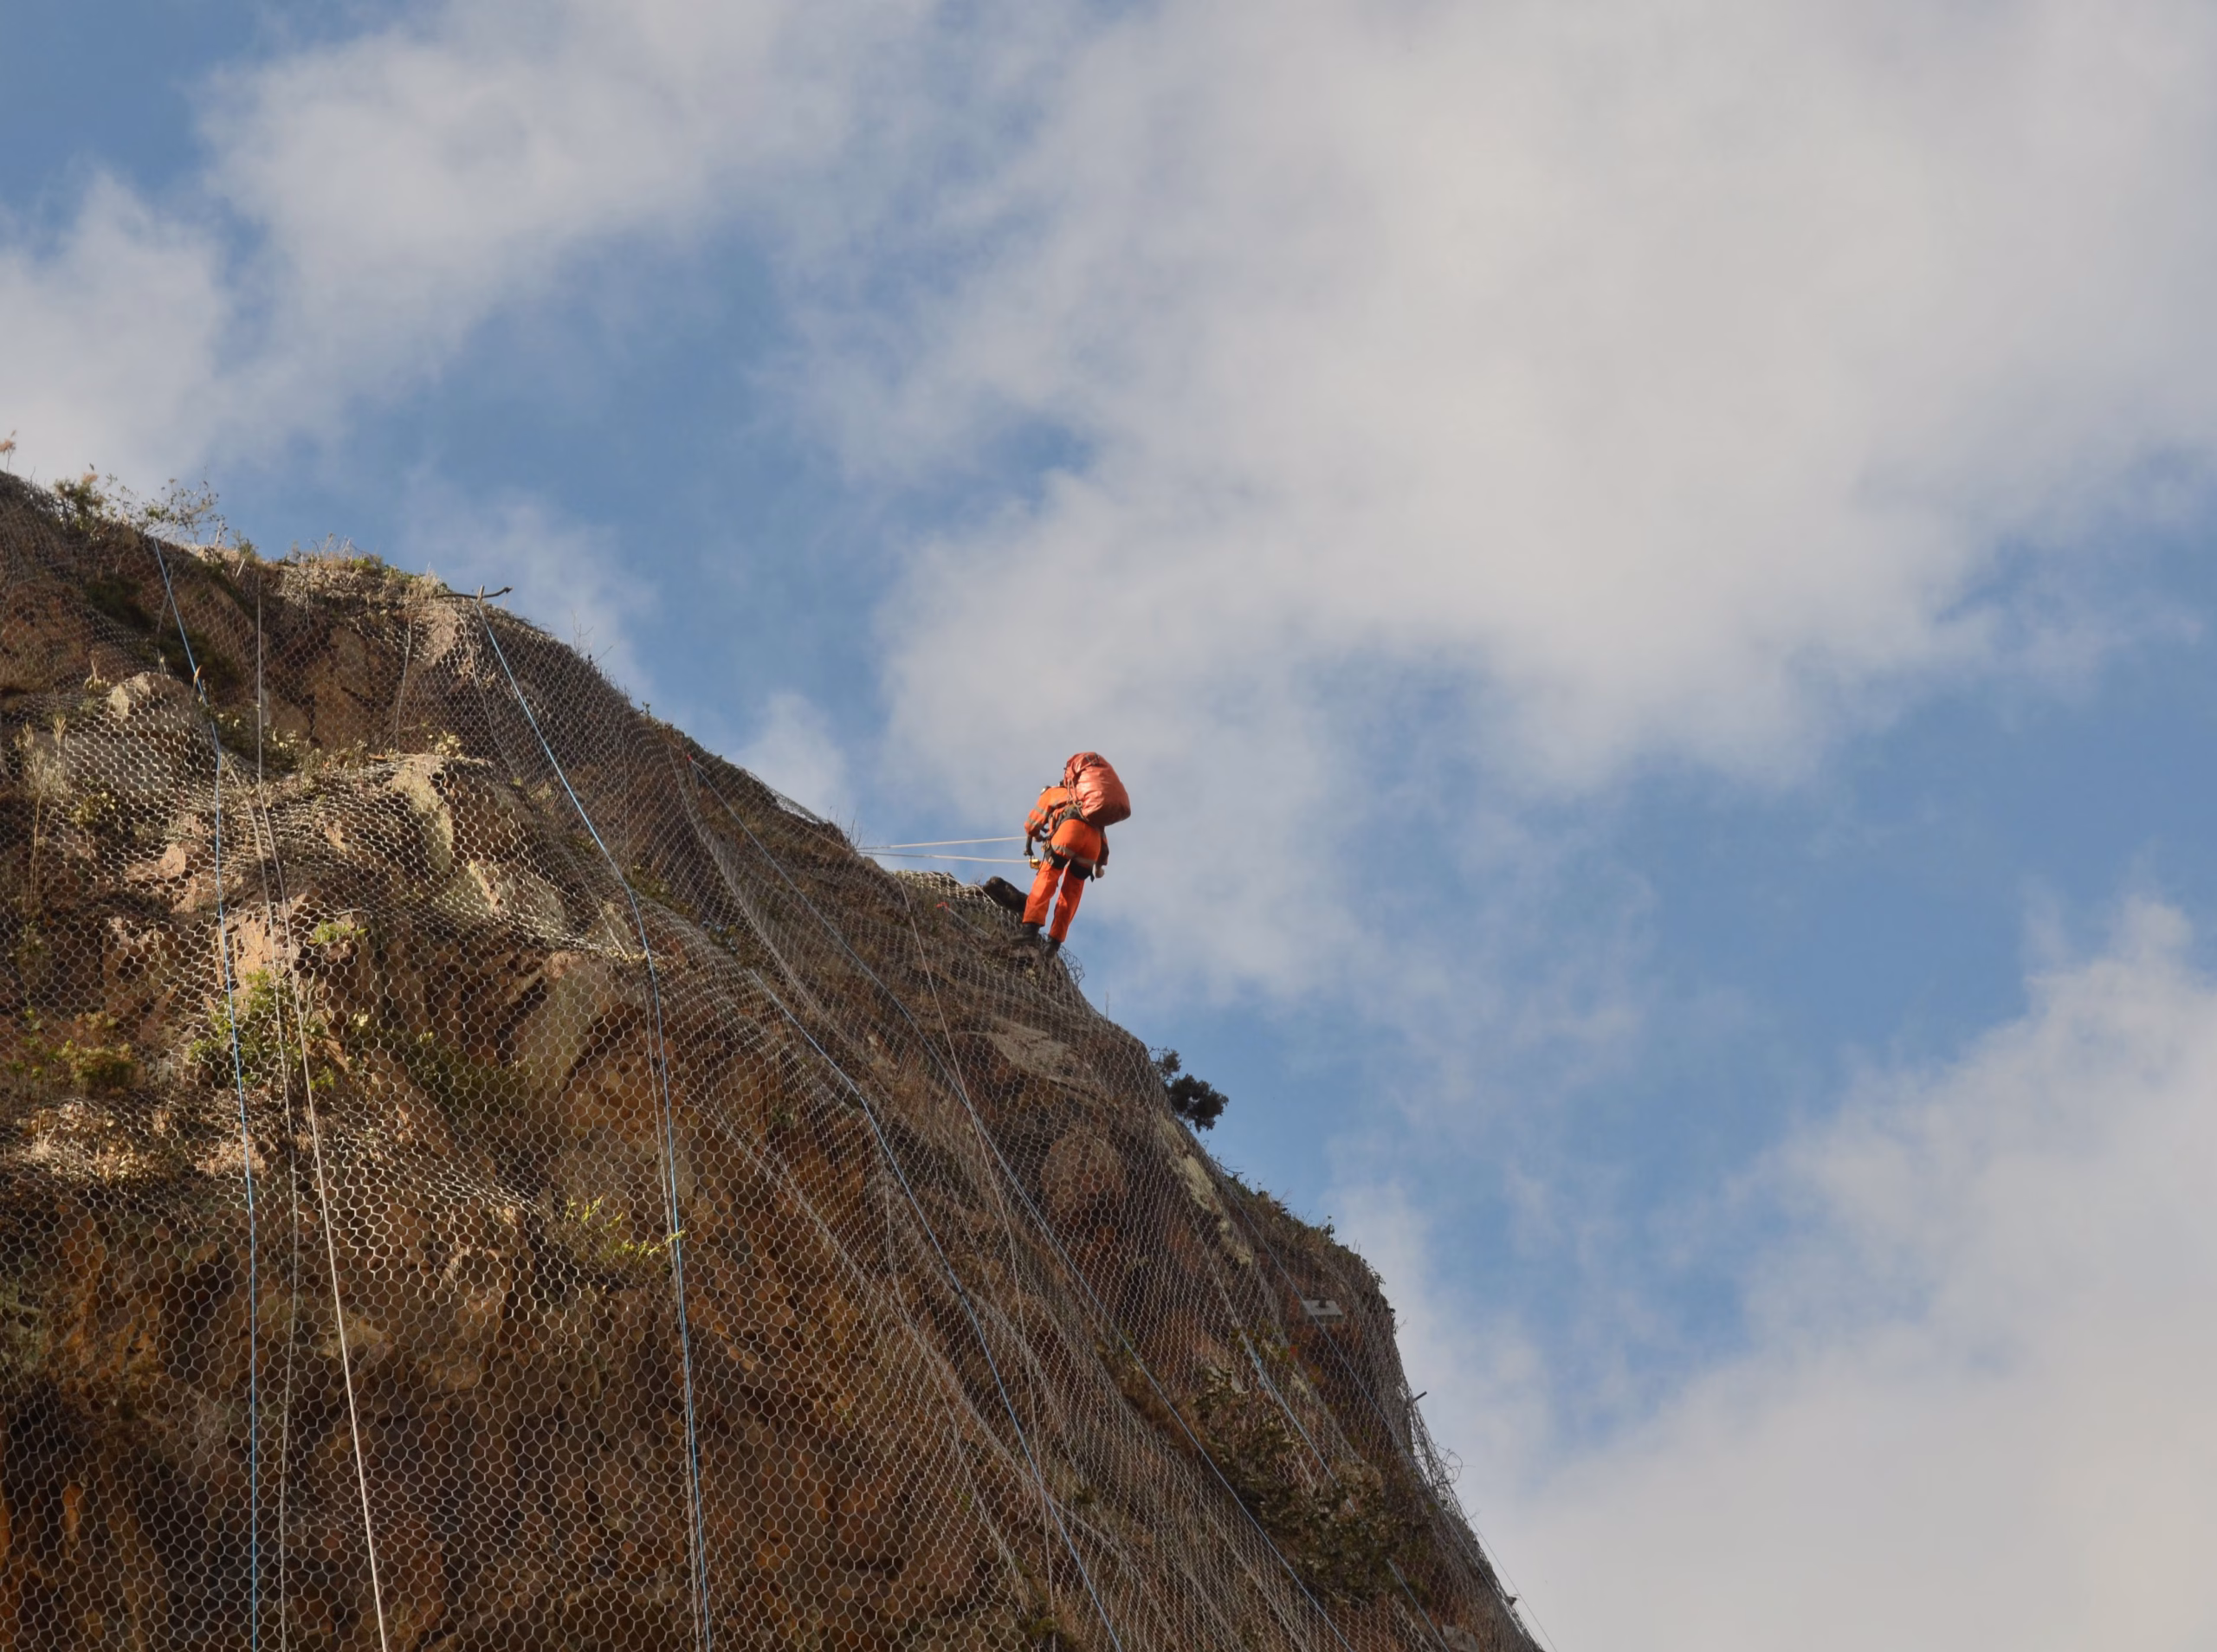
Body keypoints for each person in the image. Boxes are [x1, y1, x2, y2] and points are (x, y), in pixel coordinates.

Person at [1020, 756, 1124, 954]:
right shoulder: (1088, 801)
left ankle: (1030, 929)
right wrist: (1100, 865)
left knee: (1047, 877)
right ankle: (1054, 942)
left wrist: (1036, 835)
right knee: (1072, 891)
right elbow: (1102, 837)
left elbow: (1032, 824)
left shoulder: (1054, 793)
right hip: (1092, 847)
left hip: (1069, 834)